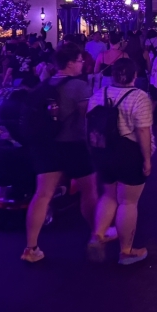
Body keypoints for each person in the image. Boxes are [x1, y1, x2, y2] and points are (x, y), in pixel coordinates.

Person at [22, 43, 98, 263]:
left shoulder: (44, 85)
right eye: (80, 60)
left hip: (47, 145)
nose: (83, 64)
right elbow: (87, 119)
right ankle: (96, 233)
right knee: (89, 190)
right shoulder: (79, 87)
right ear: (71, 63)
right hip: (74, 144)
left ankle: (31, 247)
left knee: (42, 194)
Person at [87, 57, 154, 265]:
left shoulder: (99, 95)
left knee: (109, 196)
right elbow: (143, 131)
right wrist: (147, 159)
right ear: (135, 75)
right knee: (128, 201)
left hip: (103, 152)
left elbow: (88, 127)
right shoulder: (139, 97)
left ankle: (98, 235)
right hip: (128, 152)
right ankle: (126, 251)